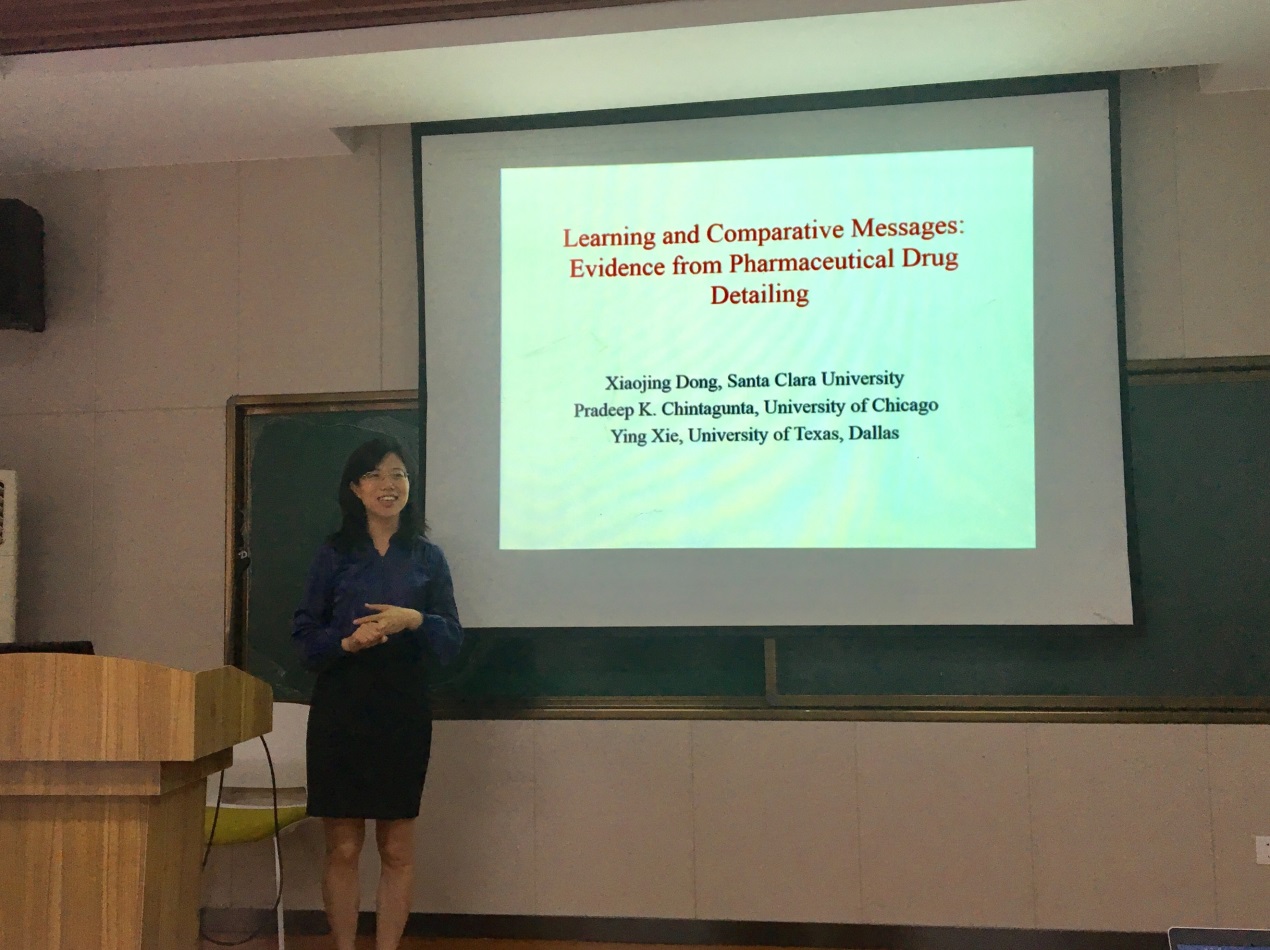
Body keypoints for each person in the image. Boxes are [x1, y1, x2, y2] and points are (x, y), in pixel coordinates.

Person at [292, 435, 463, 950]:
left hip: (402, 709)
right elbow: (304, 637)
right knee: (344, 848)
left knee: (397, 848)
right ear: (355, 488)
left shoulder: (428, 557)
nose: (388, 485)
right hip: (341, 707)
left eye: (398, 475)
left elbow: (451, 640)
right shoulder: (333, 554)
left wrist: (415, 619)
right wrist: (347, 642)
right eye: (375, 475)